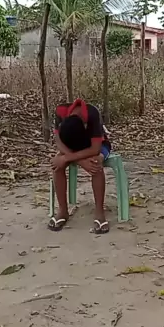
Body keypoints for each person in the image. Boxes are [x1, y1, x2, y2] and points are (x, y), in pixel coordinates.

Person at [48, 98, 111, 234]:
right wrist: (79, 160)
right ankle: (63, 211)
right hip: (68, 147)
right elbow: (58, 140)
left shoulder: (92, 113)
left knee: (95, 164)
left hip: (94, 145)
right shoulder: (60, 111)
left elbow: (95, 149)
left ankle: (99, 212)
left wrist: (69, 157)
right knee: (57, 165)